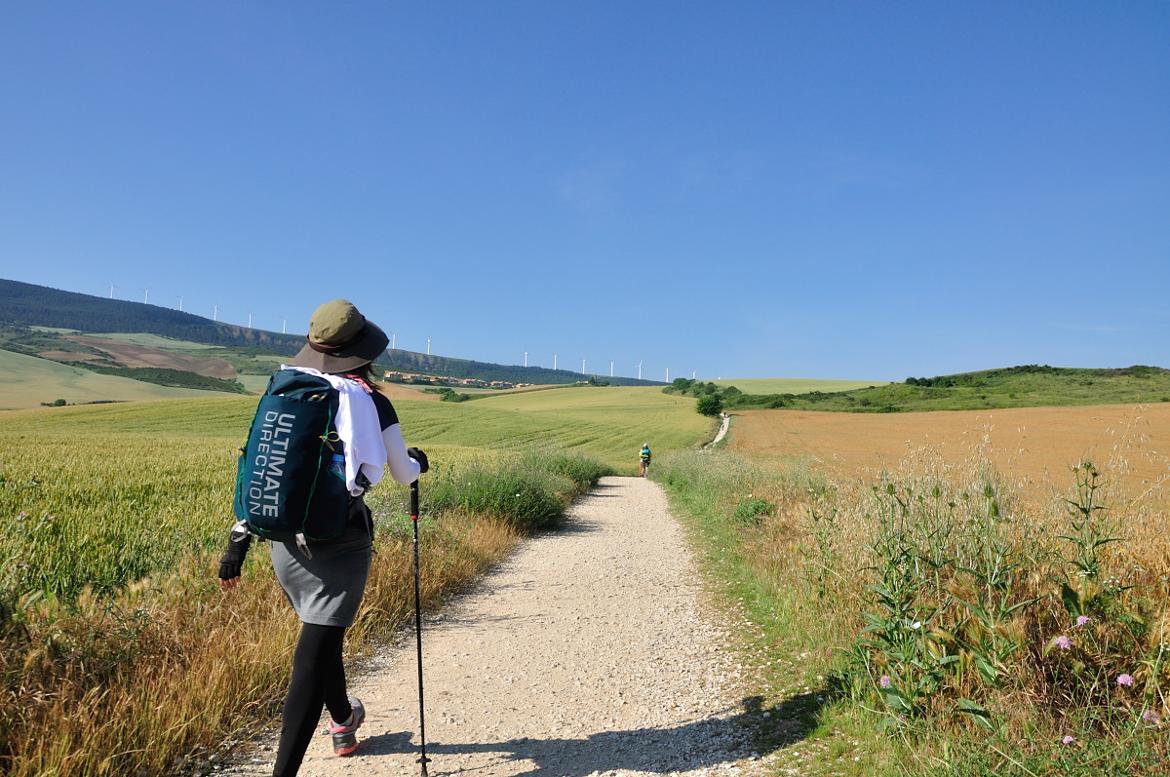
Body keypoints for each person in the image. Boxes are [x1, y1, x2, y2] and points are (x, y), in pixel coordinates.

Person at [217, 299, 428, 776]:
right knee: (311, 658)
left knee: (321, 638)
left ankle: (343, 721)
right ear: (361, 351)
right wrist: (419, 463)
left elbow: (266, 467)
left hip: (284, 541)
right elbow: (400, 473)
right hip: (339, 540)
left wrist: (239, 536)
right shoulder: (371, 399)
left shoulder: (287, 388)